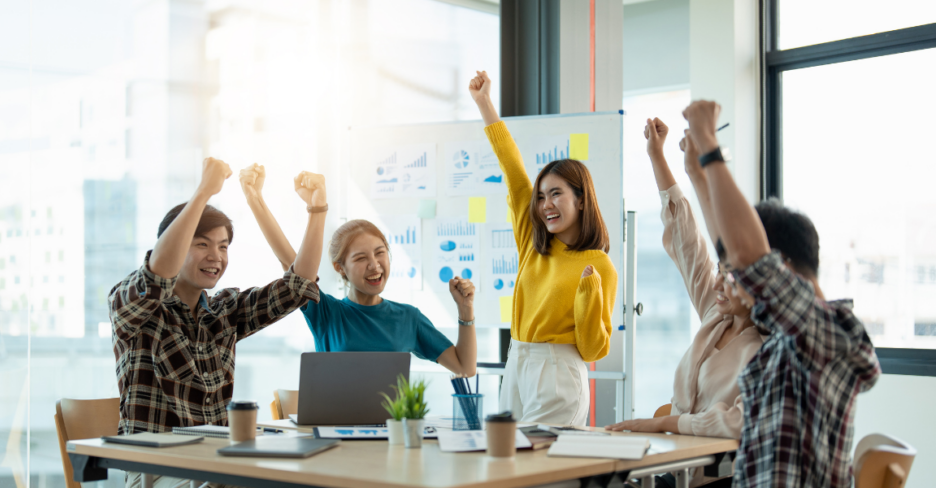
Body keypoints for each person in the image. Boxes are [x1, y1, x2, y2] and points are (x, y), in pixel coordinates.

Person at [682, 100, 881, 488]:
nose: (736, 284)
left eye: (744, 278)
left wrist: (709, 146)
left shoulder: (829, 331)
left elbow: (747, 257)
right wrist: (696, 171)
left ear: (781, 268)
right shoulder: (786, 340)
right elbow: (734, 252)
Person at [108, 157, 327, 488]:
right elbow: (155, 278)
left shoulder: (225, 310)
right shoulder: (135, 307)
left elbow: (299, 285)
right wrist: (204, 192)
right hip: (153, 467)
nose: (216, 256)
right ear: (177, 244)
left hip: (216, 464)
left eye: (223, 247)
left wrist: (317, 211)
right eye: (202, 244)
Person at [606, 118, 765, 488]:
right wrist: (657, 157)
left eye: (732, 275)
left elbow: (739, 422)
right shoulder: (717, 313)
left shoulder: (765, 349)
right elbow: (687, 241)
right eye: (721, 272)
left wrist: (663, 422)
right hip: (672, 469)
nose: (720, 282)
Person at [468, 70, 617, 425]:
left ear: (581, 200)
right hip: (517, 361)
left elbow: (594, 349)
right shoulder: (533, 245)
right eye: (540, 197)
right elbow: (512, 167)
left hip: (557, 370)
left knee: (544, 474)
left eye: (556, 194)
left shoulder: (599, 266)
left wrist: (588, 294)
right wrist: (484, 103)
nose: (545, 204)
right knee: (509, 467)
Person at [237, 164, 477, 376]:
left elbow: (464, 368)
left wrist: (465, 309)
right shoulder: (327, 312)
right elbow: (288, 260)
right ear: (340, 269)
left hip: (390, 428)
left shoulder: (408, 318)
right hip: (335, 425)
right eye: (361, 258)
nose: (374, 264)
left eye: (380, 252)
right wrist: (255, 199)